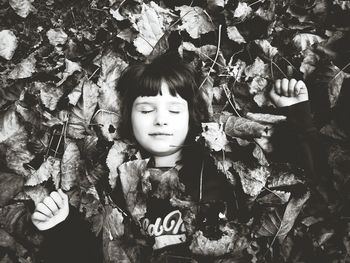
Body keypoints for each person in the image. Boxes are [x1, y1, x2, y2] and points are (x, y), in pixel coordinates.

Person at [31, 53, 327, 263]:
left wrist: (299, 117)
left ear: (191, 118)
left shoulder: (222, 167)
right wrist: (64, 229)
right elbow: (101, 254)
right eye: (147, 110)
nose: (161, 120)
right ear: (128, 121)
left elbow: (303, 185)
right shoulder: (117, 182)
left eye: (174, 110)